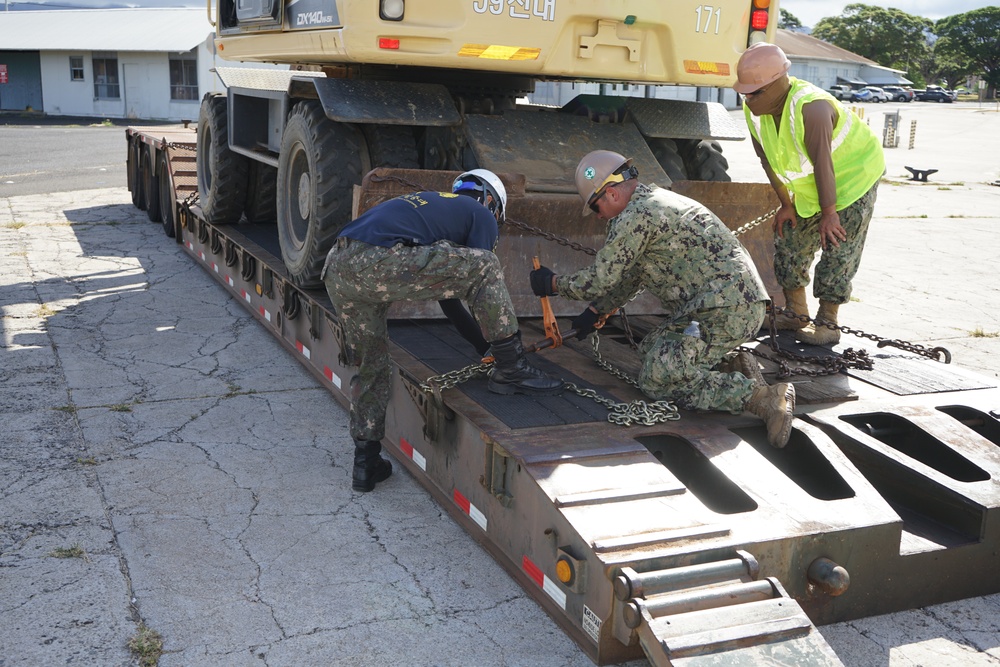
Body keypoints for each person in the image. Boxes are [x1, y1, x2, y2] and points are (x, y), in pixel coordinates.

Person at [529, 150, 795, 448]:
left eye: (595, 206)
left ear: (612, 193)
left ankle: (762, 399)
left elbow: (599, 279)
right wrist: (597, 310)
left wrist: (552, 283)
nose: (598, 216)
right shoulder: (654, 201)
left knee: (659, 378)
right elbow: (635, 275)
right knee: (653, 348)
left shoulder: (634, 217)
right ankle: (730, 365)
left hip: (723, 310)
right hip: (727, 306)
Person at [323, 169, 563, 492]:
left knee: (373, 365)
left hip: (338, 265)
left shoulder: (431, 207)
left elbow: (449, 299)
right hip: (380, 261)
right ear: (491, 201)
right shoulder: (481, 214)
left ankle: (366, 463)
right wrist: (500, 349)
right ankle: (513, 369)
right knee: (487, 265)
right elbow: (478, 270)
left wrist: (484, 349)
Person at [734, 42, 885, 345]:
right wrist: (786, 204)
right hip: (811, 187)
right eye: (744, 93)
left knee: (837, 246)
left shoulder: (812, 108)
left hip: (853, 178)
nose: (748, 99)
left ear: (778, 83)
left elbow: (822, 163)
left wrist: (829, 214)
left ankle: (828, 322)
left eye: (756, 92)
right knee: (789, 241)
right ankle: (795, 313)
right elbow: (768, 162)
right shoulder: (754, 114)